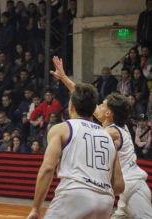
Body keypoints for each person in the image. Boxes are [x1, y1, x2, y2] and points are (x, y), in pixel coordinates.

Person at [51, 56, 152, 219]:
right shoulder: (117, 124)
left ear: (107, 113)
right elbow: (83, 98)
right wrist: (64, 78)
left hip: (134, 190)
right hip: (125, 192)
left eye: (101, 105)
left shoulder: (112, 132)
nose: (97, 107)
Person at [27, 82, 124, 219]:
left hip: (75, 194)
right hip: (105, 201)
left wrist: (36, 209)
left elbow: (47, 168)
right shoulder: (108, 137)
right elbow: (119, 186)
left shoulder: (62, 128)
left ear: (71, 106)